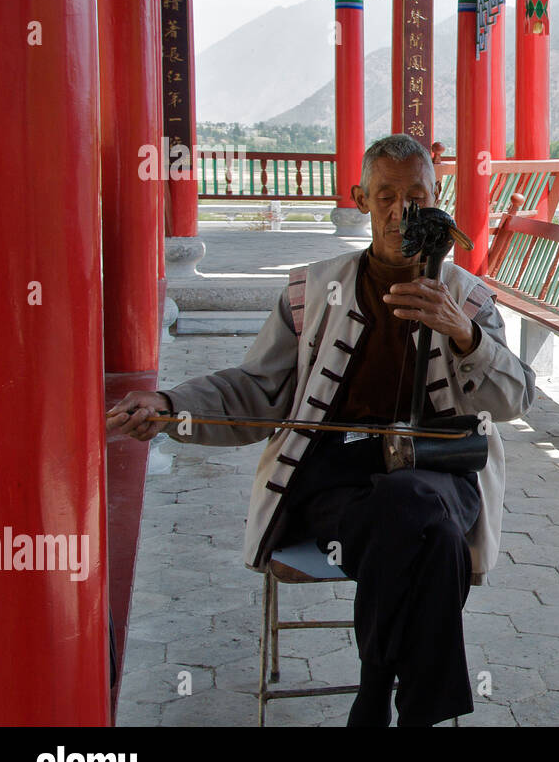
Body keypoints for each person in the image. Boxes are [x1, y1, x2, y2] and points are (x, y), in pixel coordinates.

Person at [107, 134, 535, 726]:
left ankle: (374, 693)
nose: (401, 211)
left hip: (438, 474)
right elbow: (255, 388)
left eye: (416, 195)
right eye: (386, 195)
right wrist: (170, 404)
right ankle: (411, 707)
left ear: (437, 199)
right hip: (337, 489)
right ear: (360, 198)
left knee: (412, 503)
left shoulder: (466, 297)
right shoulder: (314, 290)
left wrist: (466, 336)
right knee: (427, 536)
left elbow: (516, 399)